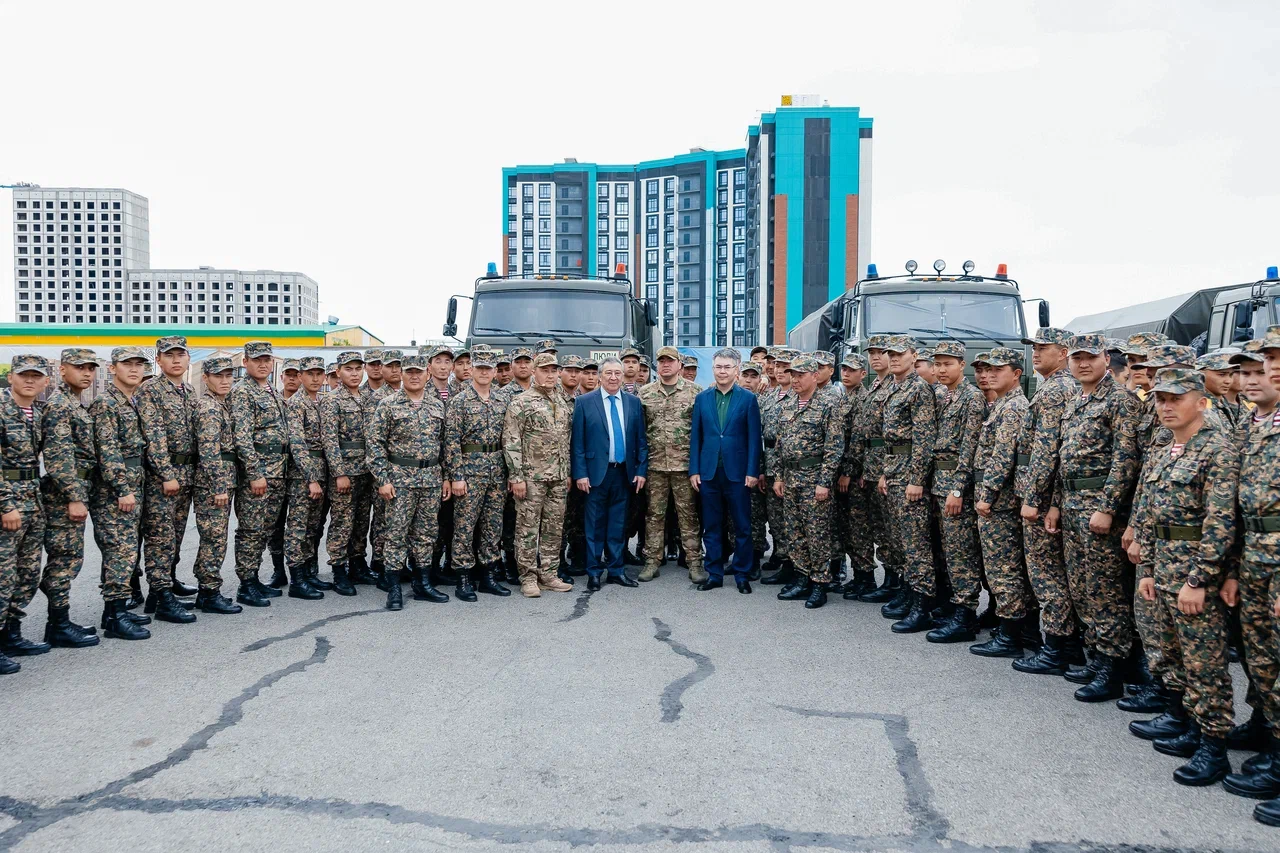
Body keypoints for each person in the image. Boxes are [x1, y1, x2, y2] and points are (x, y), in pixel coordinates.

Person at [1125, 368, 1238, 787]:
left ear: (1200, 401)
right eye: (1160, 399)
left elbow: (1221, 523)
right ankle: (1188, 723)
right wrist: (1149, 569)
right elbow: (1153, 514)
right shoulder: (1166, 448)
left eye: (1175, 398)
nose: (1166, 406)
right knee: (1174, 654)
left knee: (1205, 663)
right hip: (1166, 569)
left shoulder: (1216, 449)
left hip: (1194, 573)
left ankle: (1214, 747)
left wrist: (1199, 580)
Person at [1049, 333, 1142, 702]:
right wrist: (1056, 502)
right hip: (1071, 503)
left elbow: (1126, 459)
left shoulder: (1119, 400)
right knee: (1084, 587)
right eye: (1076, 358)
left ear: (1105, 358)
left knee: (1106, 590)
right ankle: (1096, 654)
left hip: (1099, 508)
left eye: (1090, 357)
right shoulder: (1075, 398)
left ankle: (1113, 666)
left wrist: (1106, 508)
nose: (1082, 363)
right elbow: (1064, 458)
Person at [1220, 327, 1280, 820]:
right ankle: (1266, 729)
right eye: (1248, 371)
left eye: (1263, 369)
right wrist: (1235, 568)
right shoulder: (1253, 423)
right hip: (1256, 554)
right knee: (1262, 658)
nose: (1254, 379)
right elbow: (1242, 506)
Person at [1014, 328, 1084, 674]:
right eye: (1034, 348)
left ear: (1064, 352)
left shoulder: (1056, 390)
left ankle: (1058, 648)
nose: (1036, 353)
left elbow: (1046, 451)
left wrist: (1036, 499)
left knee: (1046, 573)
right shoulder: (1054, 386)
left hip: (1041, 497)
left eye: (1044, 348)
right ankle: (1067, 645)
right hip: (1053, 494)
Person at [367, 354, 452, 610]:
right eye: (409, 372)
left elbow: (446, 445)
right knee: (396, 534)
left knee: (426, 534)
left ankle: (422, 583)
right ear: (402, 375)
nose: (414, 376)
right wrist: (382, 479)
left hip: (431, 479)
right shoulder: (388, 405)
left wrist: (446, 477)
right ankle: (393, 587)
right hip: (399, 480)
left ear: (427, 374)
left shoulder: (437, 406)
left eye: (418, 372)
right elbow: (375, 445)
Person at [968, 349, 1033, 656]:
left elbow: (1002, 456)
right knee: (999, 568)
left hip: (999, 502)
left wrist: (987, 495)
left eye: (998, 369)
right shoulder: (1002, 404)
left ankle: (1011, 638)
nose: (990, 375)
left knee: (1003, 568)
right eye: (987, 370)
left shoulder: (1013, 407)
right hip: (995, 498)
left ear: (1016, 373)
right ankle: (1013, 630)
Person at [36, 349, 101, 648]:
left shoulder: (75, 402)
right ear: (62, 371)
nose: (87, 373)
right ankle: (57, 625)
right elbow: (58, 457)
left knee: (70, 557)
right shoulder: (60, 405)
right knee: (65, 558)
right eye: (79, 368)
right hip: (63, 495)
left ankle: (60, 622)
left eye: (90, 368)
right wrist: (74, 497)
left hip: (76, 489)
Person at [0, 356, 61, 669]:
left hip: (33, 499)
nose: (30, 381)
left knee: (26, 573)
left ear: (45, 381)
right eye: (24, 375)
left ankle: (11, 633)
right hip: (8, 500)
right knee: (2, 574)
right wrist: (5, 504)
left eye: (37, 376)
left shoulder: (38, 413)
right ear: (11, 377)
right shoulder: (1, 409)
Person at [88, 347, 153, 641]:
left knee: (127, 550)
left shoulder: (133, 400)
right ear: (112, 368)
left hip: (134, 484)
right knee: (120, 551)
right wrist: (121, 489)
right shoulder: (106, 403)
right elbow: (107, 450)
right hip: (117, 490)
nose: (134, 369)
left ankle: (117, 610)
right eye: (127, 364)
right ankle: (114, 615)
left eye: (139, 364)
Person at [925, 341, 987, 642]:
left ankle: (966, 616)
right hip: (937, 480)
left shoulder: (972, 398)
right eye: (937, 364)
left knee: (961, 551)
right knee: (944, 548)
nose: (941, 369)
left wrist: (959, 490)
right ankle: (952, 604)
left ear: (962, 365)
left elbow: (970, 447)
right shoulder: (937, 394)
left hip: (954, 485)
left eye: (947, 364)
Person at [135, 335, 199, 623]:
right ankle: (160, 597)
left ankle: (166, 583)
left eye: (181, 355)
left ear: (188, 359)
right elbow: (153, 436)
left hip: (185, 475)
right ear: (158, 360)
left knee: (175, 534)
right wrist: (166, 473)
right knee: (160, 537)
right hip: (165, 477)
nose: (176, 360)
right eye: (169, 355)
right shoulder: (151, 390)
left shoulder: (189, 391)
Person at [877, 336, 939, 631]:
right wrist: (885, 473)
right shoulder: (893, 386)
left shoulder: (918, 389)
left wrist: (917, 480)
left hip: (909, 474)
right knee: (901, 541)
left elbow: (924, 439)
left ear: (914, 356)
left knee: (916, 544)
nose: (894, 358)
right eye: (890, 354)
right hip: (894, 468)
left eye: (900, 354)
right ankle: (908, 590)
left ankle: (923, 604)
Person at [771, 355, 842, 606]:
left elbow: (834, 448)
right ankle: (802, 577)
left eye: (801, 375)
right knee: (795, 531)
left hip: (814, 478)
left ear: (815, 376)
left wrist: (824, 482)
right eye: (794, 375)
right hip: (790, 478)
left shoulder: (828, 404)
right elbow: (780, 446)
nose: (796, 379)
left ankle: (820, 582)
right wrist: (779, 476)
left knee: (817, 533)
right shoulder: (788, 403)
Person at [572, 357, 648, 591]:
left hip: (623, 473)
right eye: (609, 374)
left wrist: (641, 470)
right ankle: (594, 572)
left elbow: (641, 441)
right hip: (595, 474)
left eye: (618, 373)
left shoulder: (633, 403)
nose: (614, 378)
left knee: (618, 525)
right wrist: (580, 474)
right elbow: (578, 443)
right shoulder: (584, 402)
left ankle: (616, 570)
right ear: (600, 376)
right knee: (594, 525)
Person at [691, 348, 762, 594]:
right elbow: (696, 438)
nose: (722, 371)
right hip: (709, 472)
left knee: (742, 525)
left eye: (727, 367)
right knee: (711, 526)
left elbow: (755, 439)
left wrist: (753, 471)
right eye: (718, 367)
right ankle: (714, 573)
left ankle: (742, 573)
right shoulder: (702, 399)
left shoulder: (748, 399)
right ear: (713, 369)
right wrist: (694, 470)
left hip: (738, 473)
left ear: (736, 370)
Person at [504, 353, 574, 598]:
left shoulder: (562, 401)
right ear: (534, 372)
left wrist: (566, 473)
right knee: (527, 528)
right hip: (531, 478)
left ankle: (549, 574)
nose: (550, 374)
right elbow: (512, 441)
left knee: (554, 529)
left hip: (558, 476)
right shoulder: (521, 402)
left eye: (554, 370)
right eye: (545, 370)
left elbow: (566, 439)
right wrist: (516, 477)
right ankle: (528, 576)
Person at [443, 350, 512, 599]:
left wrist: (510, 473)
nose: (484, 372)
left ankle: (488, 576)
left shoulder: (502, 401)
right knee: (464, 525)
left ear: (495, 372)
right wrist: (456, 476)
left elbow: (509, 439)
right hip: (469, 472)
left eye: (488, 368)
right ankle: (463, 576)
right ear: (471, 371)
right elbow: (451, 441)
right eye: (479, 367)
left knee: (493, 526)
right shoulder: (460, 401)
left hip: (496, 471)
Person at [230, 341, 290, 608]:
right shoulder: (243, 392)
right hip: (260, 473)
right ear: (245, 362)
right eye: (256, 359)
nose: (263, 364)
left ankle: (253, 579)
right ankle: (246, 583)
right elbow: (242, 438)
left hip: (277, 471)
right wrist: (254, 473)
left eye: (267, 359)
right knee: (251, 529)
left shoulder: (272, 392)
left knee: (264, 529)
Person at [638, 347, 701, 584]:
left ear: (679, 365)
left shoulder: (695, 392)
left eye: (670, 361)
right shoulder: (645, 393)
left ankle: (694, 561)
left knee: (689, 516)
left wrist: (697, 467)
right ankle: (652, 561)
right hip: (655, 466)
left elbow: (700, 432)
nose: (665, 364)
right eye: (661, 361)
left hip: (684, 466)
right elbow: (640, 433)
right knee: (654, 515)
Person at [190, 357, 242, 615]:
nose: (224, 381)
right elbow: (209, 451)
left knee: (216, 537)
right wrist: (219, 486)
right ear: (206, 378)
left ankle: (206, 592)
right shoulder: (209, 407)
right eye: (218, 376)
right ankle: (209, 592)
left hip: (223, 479)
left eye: (228, 376)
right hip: (214, 484)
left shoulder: (221, 404)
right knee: (214, 539)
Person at [320, 350, 373, 596]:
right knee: (342, 522)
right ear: (338, 372)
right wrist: (339, 473)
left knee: (362, 521)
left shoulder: (367, 398)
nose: (354, 373)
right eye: (349, 369)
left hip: (366, 470)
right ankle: (338, 569)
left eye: (358, 369)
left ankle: (358, 564)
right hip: (345, 473)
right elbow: (329, 440)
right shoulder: (332, 400)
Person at [856, 336, 903, 604]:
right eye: (871, 353)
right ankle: (889, 577)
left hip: (889, 465)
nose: (875, 357)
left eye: (880, 352)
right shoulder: (876, 385)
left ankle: (896, 580)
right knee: (879, 527)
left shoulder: (893, 387)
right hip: (872, 466)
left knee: (891, 529)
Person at [282, 356, 328, 600]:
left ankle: (309, 573)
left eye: (319, 373)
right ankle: (297, 579)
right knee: (298, 527)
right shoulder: (297, 403)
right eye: (310, 373)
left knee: (313, 527)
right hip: (303, 474)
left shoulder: (321, 402)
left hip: (320, 471)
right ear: (300, 377)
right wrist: (311, 478)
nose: (316, 378)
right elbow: (297, 444)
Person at [366, 349, 404, 584]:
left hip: (406, 473)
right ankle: (380, 563)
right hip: (384, 470)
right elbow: (373, 440)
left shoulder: (411, 394)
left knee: (399, 521)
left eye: (397, 366)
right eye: (388, 366)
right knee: (382, 519)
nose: (393, 370)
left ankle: (397, 564)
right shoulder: (377, 398)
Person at [759, 349, 796, 585]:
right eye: (775, 365)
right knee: (775, 518)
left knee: (792, 520)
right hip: (771, 462)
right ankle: (783, 559)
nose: (778, 370)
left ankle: (796, 565)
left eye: (784, 366)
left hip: (792, 466)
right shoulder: (769, 397)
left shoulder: (800, 396)